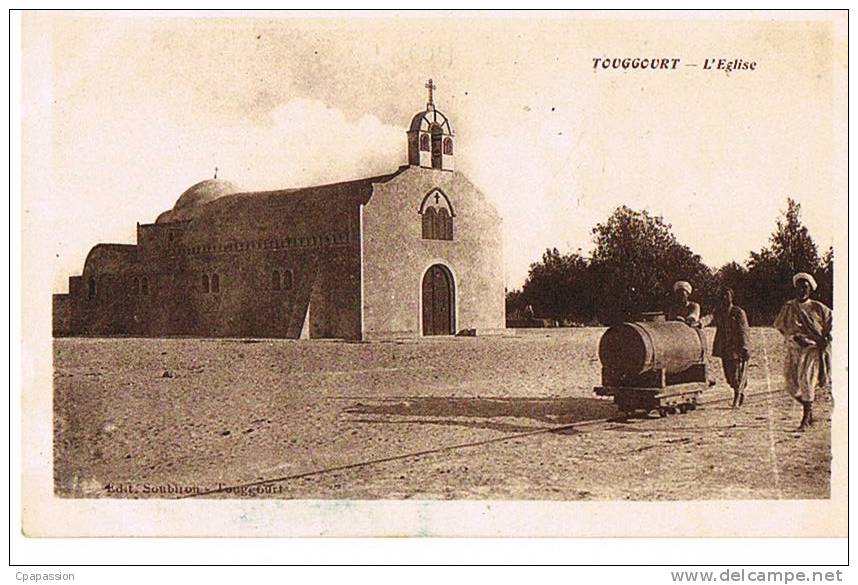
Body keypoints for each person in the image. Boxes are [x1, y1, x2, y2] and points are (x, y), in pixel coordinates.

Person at [773, 272, 833, 432]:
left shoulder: (818, 307)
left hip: (811, 350)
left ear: (810, 289)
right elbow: (781, 326)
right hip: (794, 349)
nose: (802, 290)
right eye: (799, 287)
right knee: (791, 385)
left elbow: (832, 324)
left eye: (805, 287)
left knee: (806, 381)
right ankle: (809, 409)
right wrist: (793, 336)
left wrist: (825, 338)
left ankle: (805, 419)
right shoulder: (789, 307)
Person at [712, 288, 751, 408]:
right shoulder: (719, 312)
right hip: (724, 348)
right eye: (723, 296)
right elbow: (709, 318)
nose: (725, 298)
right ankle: (738, 392)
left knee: (735, 375)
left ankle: (737, 397)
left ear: (731, 297)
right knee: (728, 376)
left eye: (727, 295)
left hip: (736, 348)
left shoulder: (738, 312)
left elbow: (744, 330)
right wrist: (699, 323)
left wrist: (745, 348)